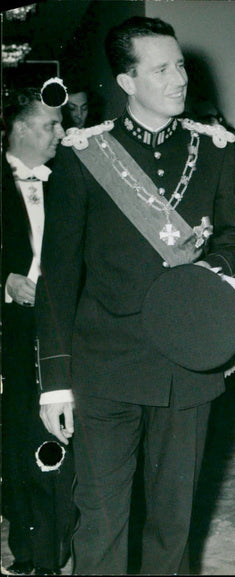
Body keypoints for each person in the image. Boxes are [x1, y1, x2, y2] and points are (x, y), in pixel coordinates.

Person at [34, 16, 235, 574]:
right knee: (102, 520)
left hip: (188, 362)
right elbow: (57, 281)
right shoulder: (85, 155)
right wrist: (55, 384)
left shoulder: (216, 149)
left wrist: (211, 269)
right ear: (128, 81)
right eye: (161, 69)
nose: (179, 78)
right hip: (105, 365)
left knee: (173, 524)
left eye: (180, 64)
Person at [1, 84, 77, 576]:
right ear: (21, 129)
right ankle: (30, 549)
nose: (61, 133)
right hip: (9, 331)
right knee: (18, 437)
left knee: (63, 436)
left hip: (64, 328)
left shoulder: (69, 178)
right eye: (51, 125)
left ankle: (54, 552)